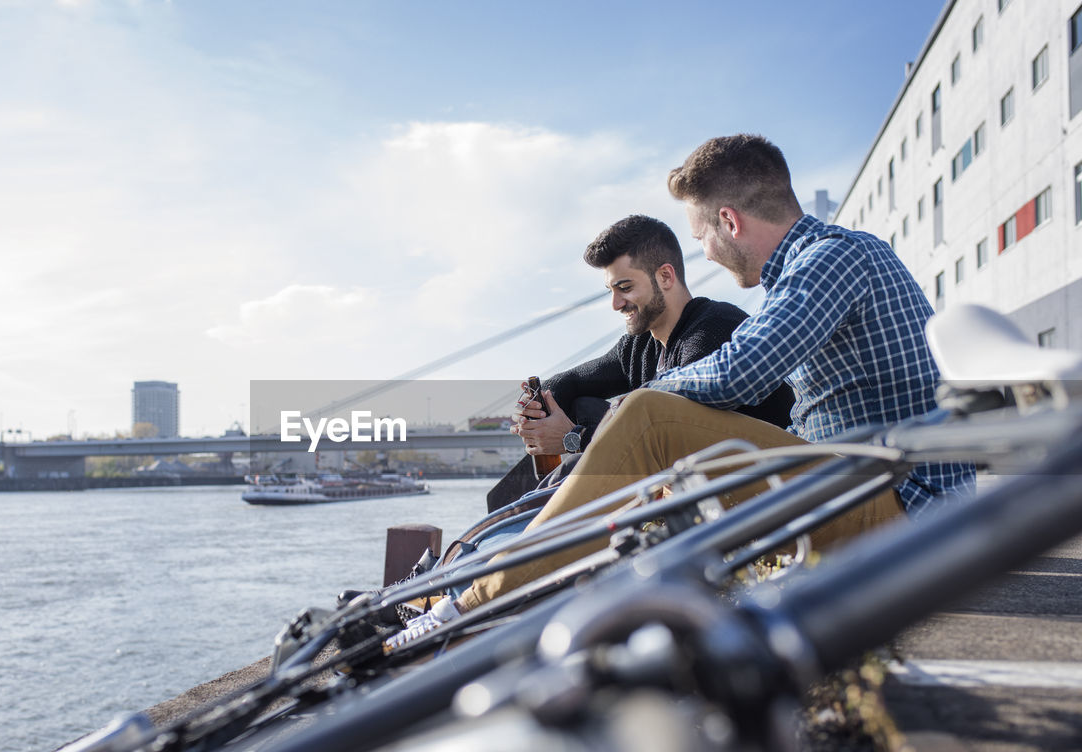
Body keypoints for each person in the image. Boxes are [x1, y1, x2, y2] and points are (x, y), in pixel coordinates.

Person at [397, 134, 973, 634]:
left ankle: (470, 605)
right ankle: (520, 599)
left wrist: (620, 413)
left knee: (650, 415)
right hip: (871, 492)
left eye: (700, 237)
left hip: (909, 511)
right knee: (662, 466)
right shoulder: (818, 268)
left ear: (729, 221)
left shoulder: (830, 260)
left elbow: (738, 371)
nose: (706, 253)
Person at [485, 215, 794, 511]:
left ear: (665, 276)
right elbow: (569, 383)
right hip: (691, 489)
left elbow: (664, 437)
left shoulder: (715, 329)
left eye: (625, 288)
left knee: (611, 422)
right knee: (582, 404)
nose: (616, 304)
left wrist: (572, 439)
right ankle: (506, 529)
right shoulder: (639, 344)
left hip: (757, 492)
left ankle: (524, 538)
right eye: (611, 291)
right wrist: (535, 410)